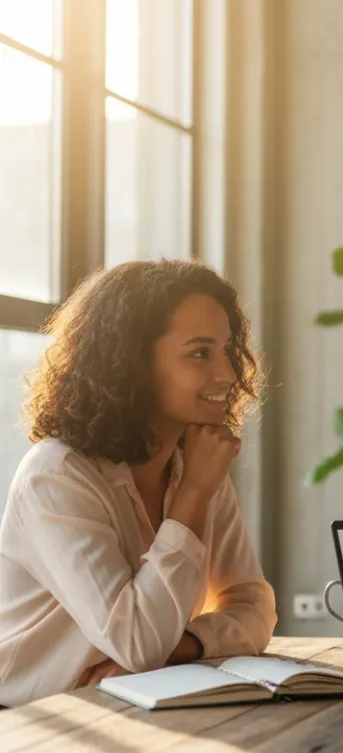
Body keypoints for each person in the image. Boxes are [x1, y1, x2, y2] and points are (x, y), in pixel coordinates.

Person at [0, 260, 277, 706]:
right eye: (200, 353)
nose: (228, 373)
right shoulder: (56, 476)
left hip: (133, 700)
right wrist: (194, 495)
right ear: (131, 363)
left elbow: (253, 606)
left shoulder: (194, 465)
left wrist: (184, 646)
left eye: (227, 350)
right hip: (32, 720)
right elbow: (138, 643)